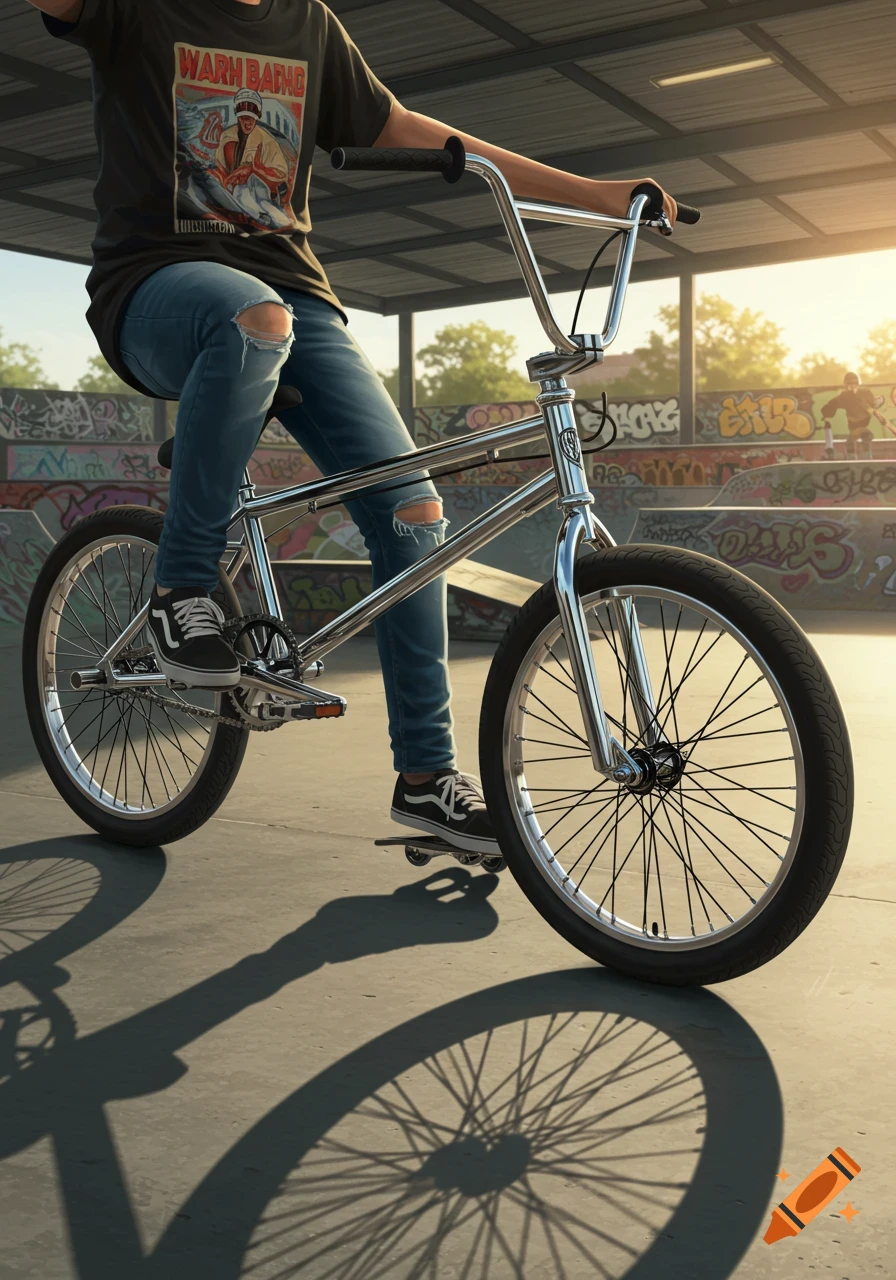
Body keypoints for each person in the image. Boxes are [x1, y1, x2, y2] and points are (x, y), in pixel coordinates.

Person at [29, 0, 676, 853]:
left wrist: (593, 194)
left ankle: (426, 780)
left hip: (297, 296)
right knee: (253, 319)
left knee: (415, 514)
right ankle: (179, 594)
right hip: (156, 287)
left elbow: (404, 126)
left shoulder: (309, 23)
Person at [821, 373, 889, 460]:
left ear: (858, 385)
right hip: (853, 425)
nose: (853, 388)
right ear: (846, 386)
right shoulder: (844, 396)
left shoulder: (865, 393)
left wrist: (880, 417)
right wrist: (826, 412)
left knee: (865, 436)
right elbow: (833, 403)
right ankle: (853, 458)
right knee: (852, 441)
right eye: (850, 386)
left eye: (854, 385)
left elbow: (873, 407)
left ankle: (866, 457)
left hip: (863, 423)